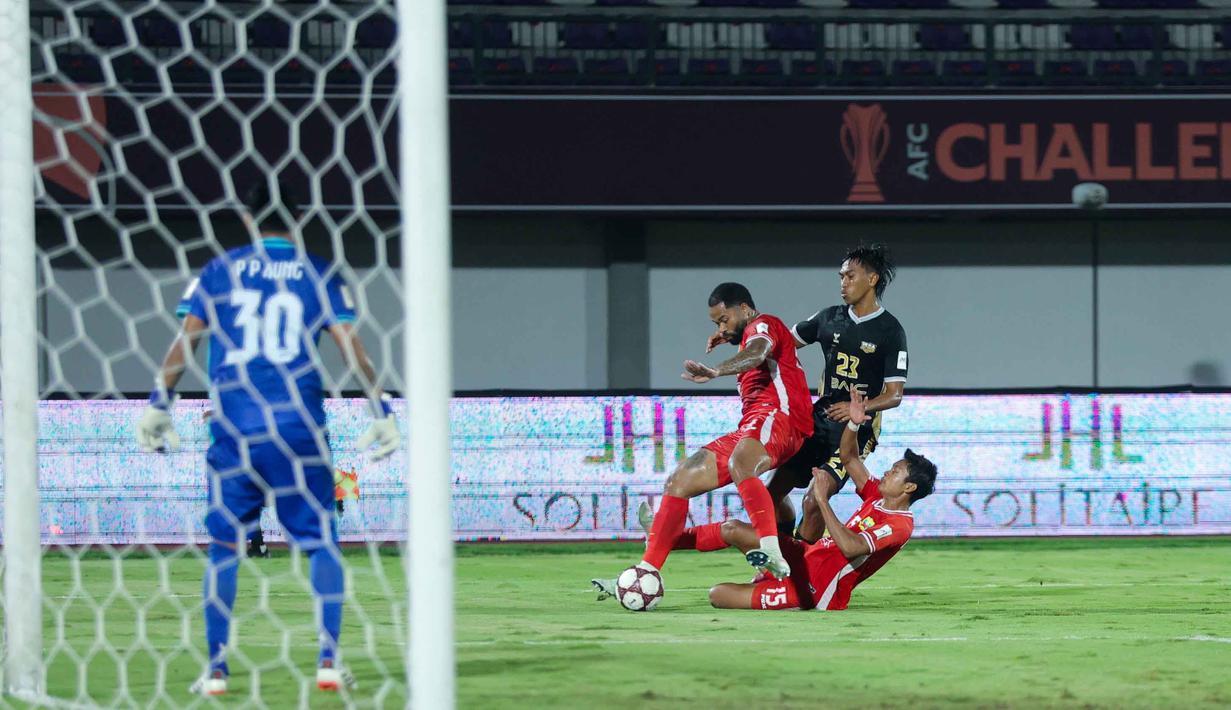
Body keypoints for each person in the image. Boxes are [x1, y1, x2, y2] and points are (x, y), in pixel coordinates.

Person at [135, 181, 400, 695]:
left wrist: (158, 406)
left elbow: (183, 341)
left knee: (223, 548)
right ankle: (327, 661)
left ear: (248, 218)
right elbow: (352, 347)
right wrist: (381, 408)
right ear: (297, 219)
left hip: (235, 431)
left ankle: (215, 670)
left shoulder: (218, 270)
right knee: (322, 543)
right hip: (299, 431)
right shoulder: (318, 273)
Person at [593, 282, 814, 597]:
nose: (721, 327)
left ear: (744, 308)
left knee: (741, 466)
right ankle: (648, 566)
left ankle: (771, 552)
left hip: (781, 419)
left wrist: (715, 370)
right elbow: (751, 349)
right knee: (679, 481)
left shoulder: (764, 324)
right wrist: (729, 337)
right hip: (752, 426)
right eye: (716, 325)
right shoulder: (748, 333)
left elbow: (757, 352)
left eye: (723, 320)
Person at [697, 390, 937, 611]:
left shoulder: (899, 526)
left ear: (909, 487)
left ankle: (771, 575)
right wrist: (853, 424)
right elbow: (850, 459)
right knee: (732, 529)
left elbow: (851, 547)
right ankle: (658, 547)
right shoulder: (877, 496)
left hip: (815, 588)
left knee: (717, 594)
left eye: (895, 472)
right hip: (806, 555)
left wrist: (822, 500)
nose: (887, 473)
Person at [770, 244, 909, 542]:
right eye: (841, 276)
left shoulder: (890, 330)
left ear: (872, 280)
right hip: (817, 422)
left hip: (856, 431)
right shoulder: (828, 318)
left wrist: (857, 410)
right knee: (770, 494)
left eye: (850, 276)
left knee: (813, 501)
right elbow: (781, 344)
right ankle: (786, 553)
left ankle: (804, 576)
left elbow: (895, 394)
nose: (843, 283)